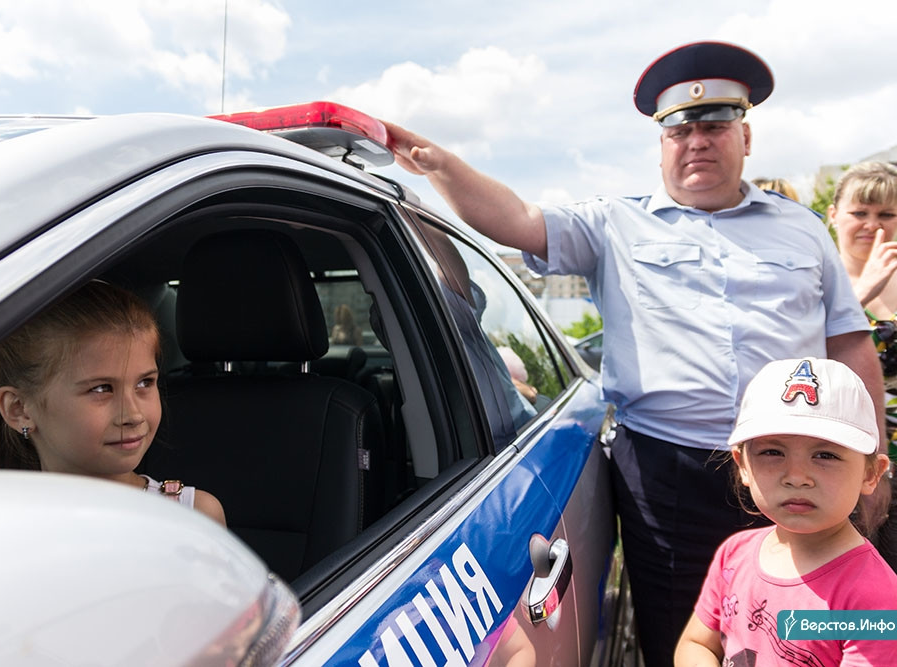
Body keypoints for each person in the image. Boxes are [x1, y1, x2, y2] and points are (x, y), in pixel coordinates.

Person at [383, 41, 884, 666]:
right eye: (681, 130)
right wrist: (436, 163)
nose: (697, 141)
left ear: (745, 137)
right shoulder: (613, 222)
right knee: (685, 633)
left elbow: (850, 343)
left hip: (799, 461)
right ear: (662, 143)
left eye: (714, 125)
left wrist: (871, 458)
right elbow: (516, 220)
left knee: (825, 625)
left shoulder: (802, 228)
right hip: (667, 472)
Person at [675, 358, 897, 666]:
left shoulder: (874, 599)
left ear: (871, 474)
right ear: (743, 466)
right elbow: (697, 644)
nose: (796, 476)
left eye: (825, 454)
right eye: (772, 452)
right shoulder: (733, 555)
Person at [0, 280, 226, 526]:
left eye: (145, 383)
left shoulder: (192, 516)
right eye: (101, 389)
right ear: (19, 409)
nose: (133, 415)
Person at [828, 160, 897, 570]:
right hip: (846, 468)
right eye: (860, 212)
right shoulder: (815, 281)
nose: (873, 224)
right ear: (834, 215)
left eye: (886, 214)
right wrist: (862, 291)